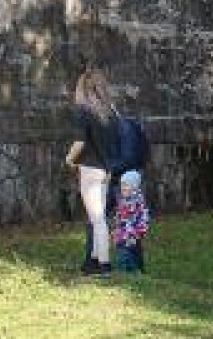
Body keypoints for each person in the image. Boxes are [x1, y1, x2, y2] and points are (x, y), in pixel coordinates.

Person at [65, 67, 120, 276]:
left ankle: (104, 265)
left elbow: (79, 143)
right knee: (98, 217)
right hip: (106, 170)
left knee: (97, 219)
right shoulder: (111, 112)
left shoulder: (82, 111)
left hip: (89, 169)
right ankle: (94, 261)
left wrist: (69, 159)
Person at [113, 170, 151, 273]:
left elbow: (143, 217)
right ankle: (137, 270)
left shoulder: (136, 200)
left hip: (131, 234)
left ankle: (128, 272)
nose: (123, 188)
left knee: (125, 254)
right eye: (122, 185)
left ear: (134, 186)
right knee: (133, 253)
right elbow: (121, 217)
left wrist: (139, 231)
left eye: (126, 185)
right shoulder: (125, 199)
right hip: (123, 234)